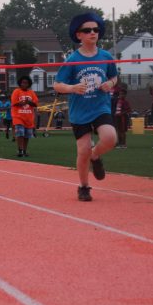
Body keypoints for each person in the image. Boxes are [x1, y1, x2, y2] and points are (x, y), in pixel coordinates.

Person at [54, 12, 118, 202]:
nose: (93, 33)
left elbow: (114, 76)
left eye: (96, 29)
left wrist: (110, 83)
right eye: (87, 30)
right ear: (78, 35)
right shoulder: (72, 60)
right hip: (79, 111)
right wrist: (72, 88)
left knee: (110, 138)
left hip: (100, 107)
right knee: (82, 150)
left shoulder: (106, 56)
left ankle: (95, 156)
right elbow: (57, 85)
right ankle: (83, 187)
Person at [11, 76, 39, 157]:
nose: (24, 84)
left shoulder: (31, 92)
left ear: (29, 84)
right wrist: (23, 102)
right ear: (20, 83)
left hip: (29, 117)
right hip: (18, 116)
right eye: (23, 83)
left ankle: (24, 150)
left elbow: (35, 104)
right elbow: (14, 102)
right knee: (20, 133)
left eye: (26, 83)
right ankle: (20, 150)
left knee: (27, 135)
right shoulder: (16, 91)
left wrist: (29, 102)